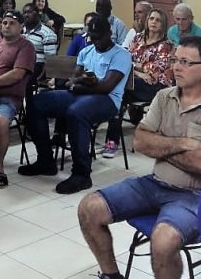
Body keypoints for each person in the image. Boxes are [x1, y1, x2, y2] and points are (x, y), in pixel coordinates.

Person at [77, 36, 201, 279]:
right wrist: (181, 143)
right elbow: (139, 141)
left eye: (186, 62)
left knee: (162, 241)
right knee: (89, 208)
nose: (177, 67)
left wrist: (160, 144)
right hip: (154, 184)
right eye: (175, 60)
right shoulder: (164, 97)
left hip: (195, 195)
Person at [18, 15, 132, 194]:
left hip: (108, 101)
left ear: (109, 34)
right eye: (91, 37)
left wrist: (85, 83)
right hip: (82, 94)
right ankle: (45, 160)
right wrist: (86, 83)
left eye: (98, 37)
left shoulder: (121, 55)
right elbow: (71, 82)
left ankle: (81, 174)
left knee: (76, 112)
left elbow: (106, 87)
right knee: (36, 102)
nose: (94, 41)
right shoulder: (86, 52)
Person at [103, 8, 174, 158]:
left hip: (155, 86)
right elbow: (126, 60)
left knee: (117, 90)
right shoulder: (137, 39)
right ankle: (112, 141)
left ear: (163, 24)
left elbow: (154, 71)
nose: (154, 22)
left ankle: (111, 141)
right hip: (133, 81)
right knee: (118, 95)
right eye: (151, 19)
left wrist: (134, 68)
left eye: (158, 20)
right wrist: (137, 70)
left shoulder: (166, 45)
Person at [0, 10, 35, 188]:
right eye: (4, 23)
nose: (6, 26)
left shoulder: (26, 46)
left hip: (7, 98)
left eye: (12, 23)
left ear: (21, 27)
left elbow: (17, 74)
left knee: (0, 121)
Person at [22, 2, 58, 93]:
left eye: (29, 12)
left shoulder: (47, 33)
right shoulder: (22, 30)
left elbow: (50, 60)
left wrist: (39, 78)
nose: (26, 15)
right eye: (24, 12)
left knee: (23, 81)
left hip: (37, 66)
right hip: (21, 63)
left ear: (37, 13)